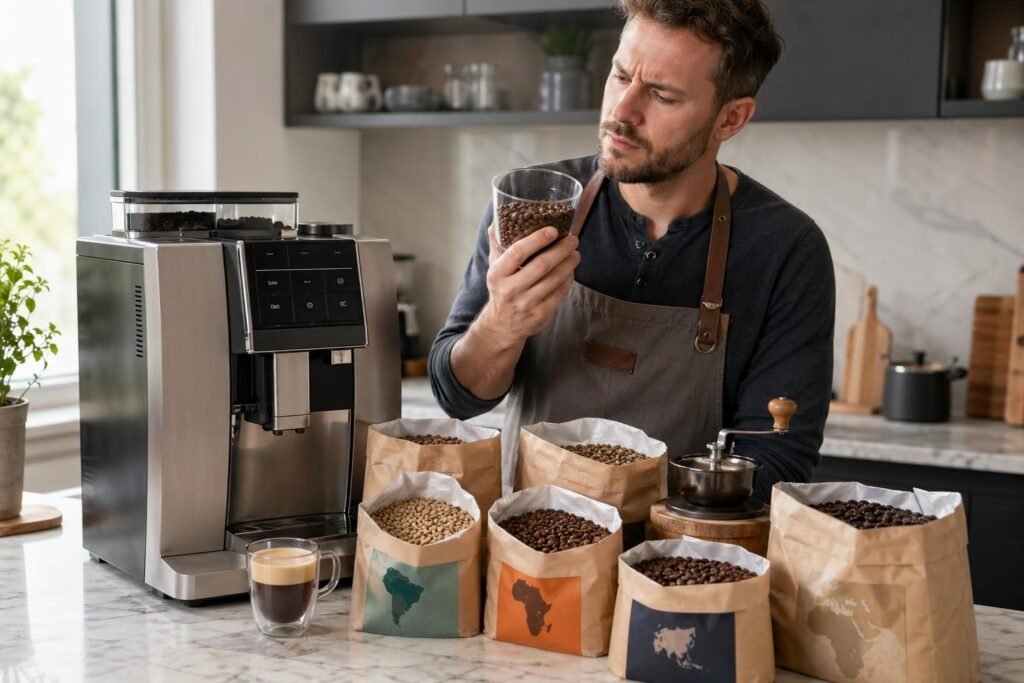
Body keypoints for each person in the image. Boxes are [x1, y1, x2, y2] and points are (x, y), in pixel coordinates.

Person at [428, 0, 835, 501]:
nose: (622, 112)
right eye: (620, 77)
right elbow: (456, 397)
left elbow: (779, 459)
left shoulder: (785, 248)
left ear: (730, 119)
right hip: (528, 553)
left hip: (684, 559)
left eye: (661, 95)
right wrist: (502, 323)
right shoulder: (535, 204)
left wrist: (631, 505)